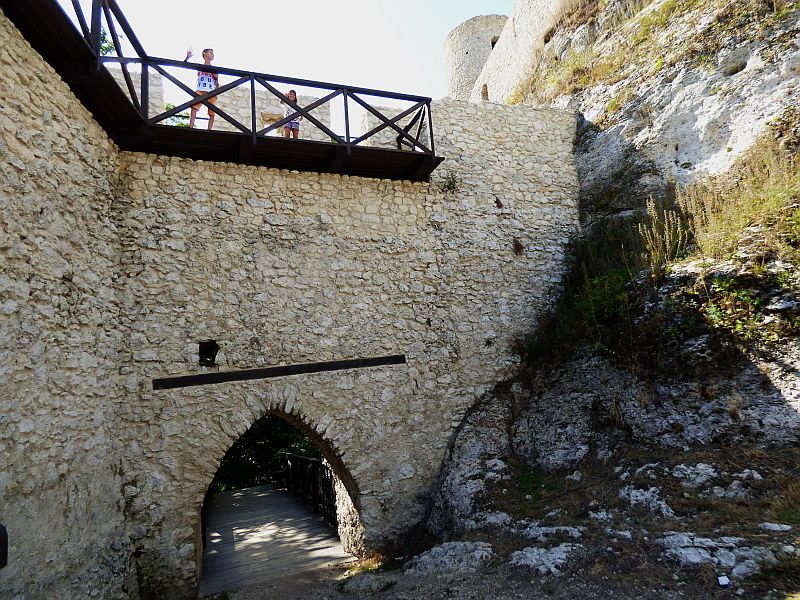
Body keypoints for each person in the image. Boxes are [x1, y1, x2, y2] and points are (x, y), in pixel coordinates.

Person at [185, 48, 218, 130]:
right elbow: (186, 65)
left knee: (212, 112)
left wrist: (217, 90)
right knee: (194, 108)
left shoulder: (214, 69)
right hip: (200, 89)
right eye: (211, 53)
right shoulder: (200, 66)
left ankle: (209, 130)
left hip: (211, 92)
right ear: (204, 53)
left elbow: (216, 81)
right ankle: (191, 127)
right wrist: (187, 58)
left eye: (213, 53)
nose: (212, 54)